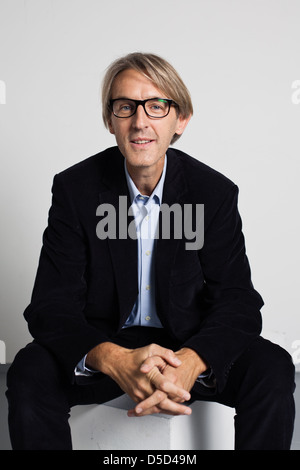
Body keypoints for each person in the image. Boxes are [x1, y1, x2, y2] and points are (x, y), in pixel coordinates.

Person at [6, 52, 295, 450]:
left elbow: (238, 301)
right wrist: (112, 359)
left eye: (157, 106)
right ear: (110, 120)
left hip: (188, 344)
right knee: (28, 373)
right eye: (126, 106)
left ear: (182, 119)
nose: (140, 122)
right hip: (107, 341)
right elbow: (51, 306)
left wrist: (192, 362)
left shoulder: (213, 193)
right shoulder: (76, 190)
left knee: (273, 369)